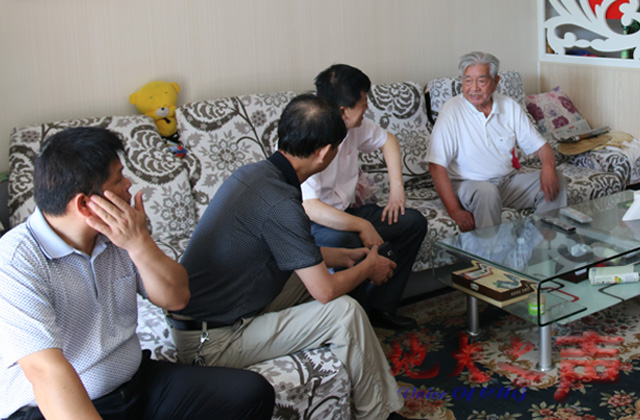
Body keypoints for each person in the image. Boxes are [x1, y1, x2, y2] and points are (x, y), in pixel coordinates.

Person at [0, 127, 275, 420]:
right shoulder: (15, 261)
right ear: (85, 204)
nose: (128, 184)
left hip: (136, 384)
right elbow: (45, 372)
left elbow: (177, 298)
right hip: (58, 406)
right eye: (118, 179)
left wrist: (139, 243)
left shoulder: (120, 232)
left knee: (251, 393)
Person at [169, 94, 407, 420]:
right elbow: (325, 291)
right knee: (344, 312)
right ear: (324, 152)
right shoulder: (281, 203)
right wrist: (368, 268)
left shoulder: (254, 174)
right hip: (212, 341)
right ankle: (378, 415)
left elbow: (282, 250)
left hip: (215, 310)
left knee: (316, 275)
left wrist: (344, 256)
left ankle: (362, 385)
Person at [301, 64, 427, 330]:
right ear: (343, 111)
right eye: (363, 102)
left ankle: (381, 307)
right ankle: (354, 321)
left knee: (412, 222)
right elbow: (310, 207)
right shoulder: (307, 133)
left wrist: (397, 190)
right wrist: (362, 225)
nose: (367, 107)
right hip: (313, 224)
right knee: (346, 241)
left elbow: (388, 140)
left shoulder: (353, 125)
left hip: (346, 212)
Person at [428, 51, 567, 232]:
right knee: (487, 192)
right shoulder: (451, 110)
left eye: (482, 81)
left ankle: (543, 242)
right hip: (468, 185)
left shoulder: (509, 106)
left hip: (506, 183)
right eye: (468, 80)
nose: (474, 88)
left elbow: (541, 147)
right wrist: (454, 210)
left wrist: (548, 166)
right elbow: (436, 165)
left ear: (495, 82)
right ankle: (489, 250)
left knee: (557, 179)